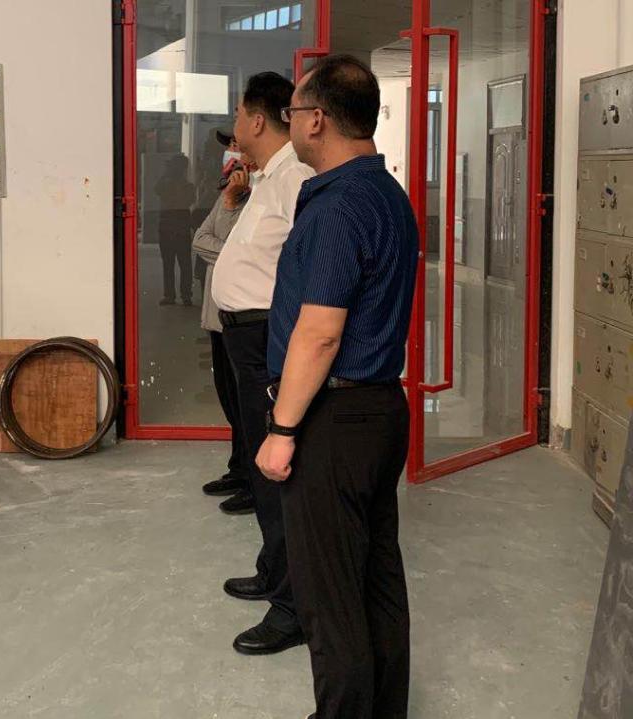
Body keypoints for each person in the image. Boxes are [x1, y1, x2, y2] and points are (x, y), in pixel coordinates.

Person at [258, 55, 417, 719]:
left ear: (317, 119)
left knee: (329, 594)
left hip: (335, 417)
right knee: (376, 576)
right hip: (379, 410)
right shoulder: (387, 194)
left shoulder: (339, 205)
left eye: (292, 112)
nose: (290, 123)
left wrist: (282, 429)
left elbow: (321, 333)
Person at [211, 72, 314, 655]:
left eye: (238, 113)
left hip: (266, 337)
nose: (235, 126)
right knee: (259, 466)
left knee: (277, 474)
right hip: (245, 337)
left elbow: (308, 270)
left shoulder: (294, 177)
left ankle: (293, 605)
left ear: (256, 119)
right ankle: (275, 571)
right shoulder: (268, 177)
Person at [195, 131, 253, 506]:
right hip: (216, 317)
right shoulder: (229, 193)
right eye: (228, 147)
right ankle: (239, 469)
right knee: (230, 400)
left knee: (248, 405)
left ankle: (256, 482)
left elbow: (243, 252)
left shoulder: (257, 197)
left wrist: (231, 202)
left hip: (241, 318)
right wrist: (229, 199)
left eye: (235, 146)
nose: (229, 153)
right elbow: (199, 238)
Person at [154, 154, 196, 306]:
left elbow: (159, 190)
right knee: (181, 263)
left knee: (174, 263)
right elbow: (157, 189)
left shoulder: (184, 186)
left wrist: (167, 174)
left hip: (172, 225)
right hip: (176, 225)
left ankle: (174, 295)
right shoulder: (186, 186)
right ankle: (183, 295)